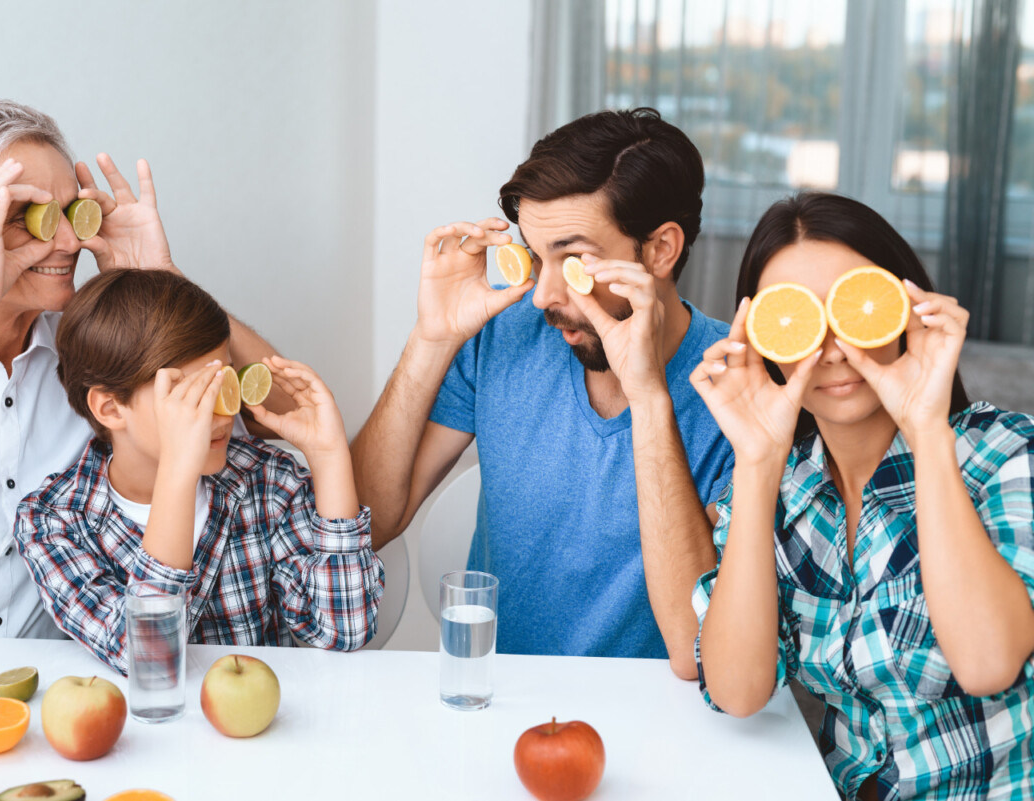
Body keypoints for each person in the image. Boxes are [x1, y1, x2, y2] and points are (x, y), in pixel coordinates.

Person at [0, 98, 277, 637]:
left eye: (71, 211)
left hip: (48, 683)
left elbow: (287, 415)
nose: (69, 242)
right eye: (26, 216)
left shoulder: (89, 350)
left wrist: (164, 277)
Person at [352, 109, 734, 671]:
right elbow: (365, 522)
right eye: (535, 255)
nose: (542, 294)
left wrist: (650, 396)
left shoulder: (737, 387)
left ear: (660, 250)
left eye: (575, 258)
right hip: (501, 697)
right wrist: (431, 340)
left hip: (660, 713)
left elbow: (695, 645)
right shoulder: (503, 336)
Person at [690, 192, 1034, 800]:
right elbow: (737, 692)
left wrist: (926, 427)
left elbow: (988, 664)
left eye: (853, 310)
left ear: (905, 307)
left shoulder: (1004, 454)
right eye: (800, 321)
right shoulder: (783, 487)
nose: (832, 350)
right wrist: (758, 460)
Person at [14, 269, 383, 674]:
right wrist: (178, 474)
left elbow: (345, 630)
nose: (224, 412)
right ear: (110, 408)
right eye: (190, 395)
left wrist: (329, 456)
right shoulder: (51, 521)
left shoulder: (267, 481)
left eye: (225, 384)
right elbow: (150, 659)